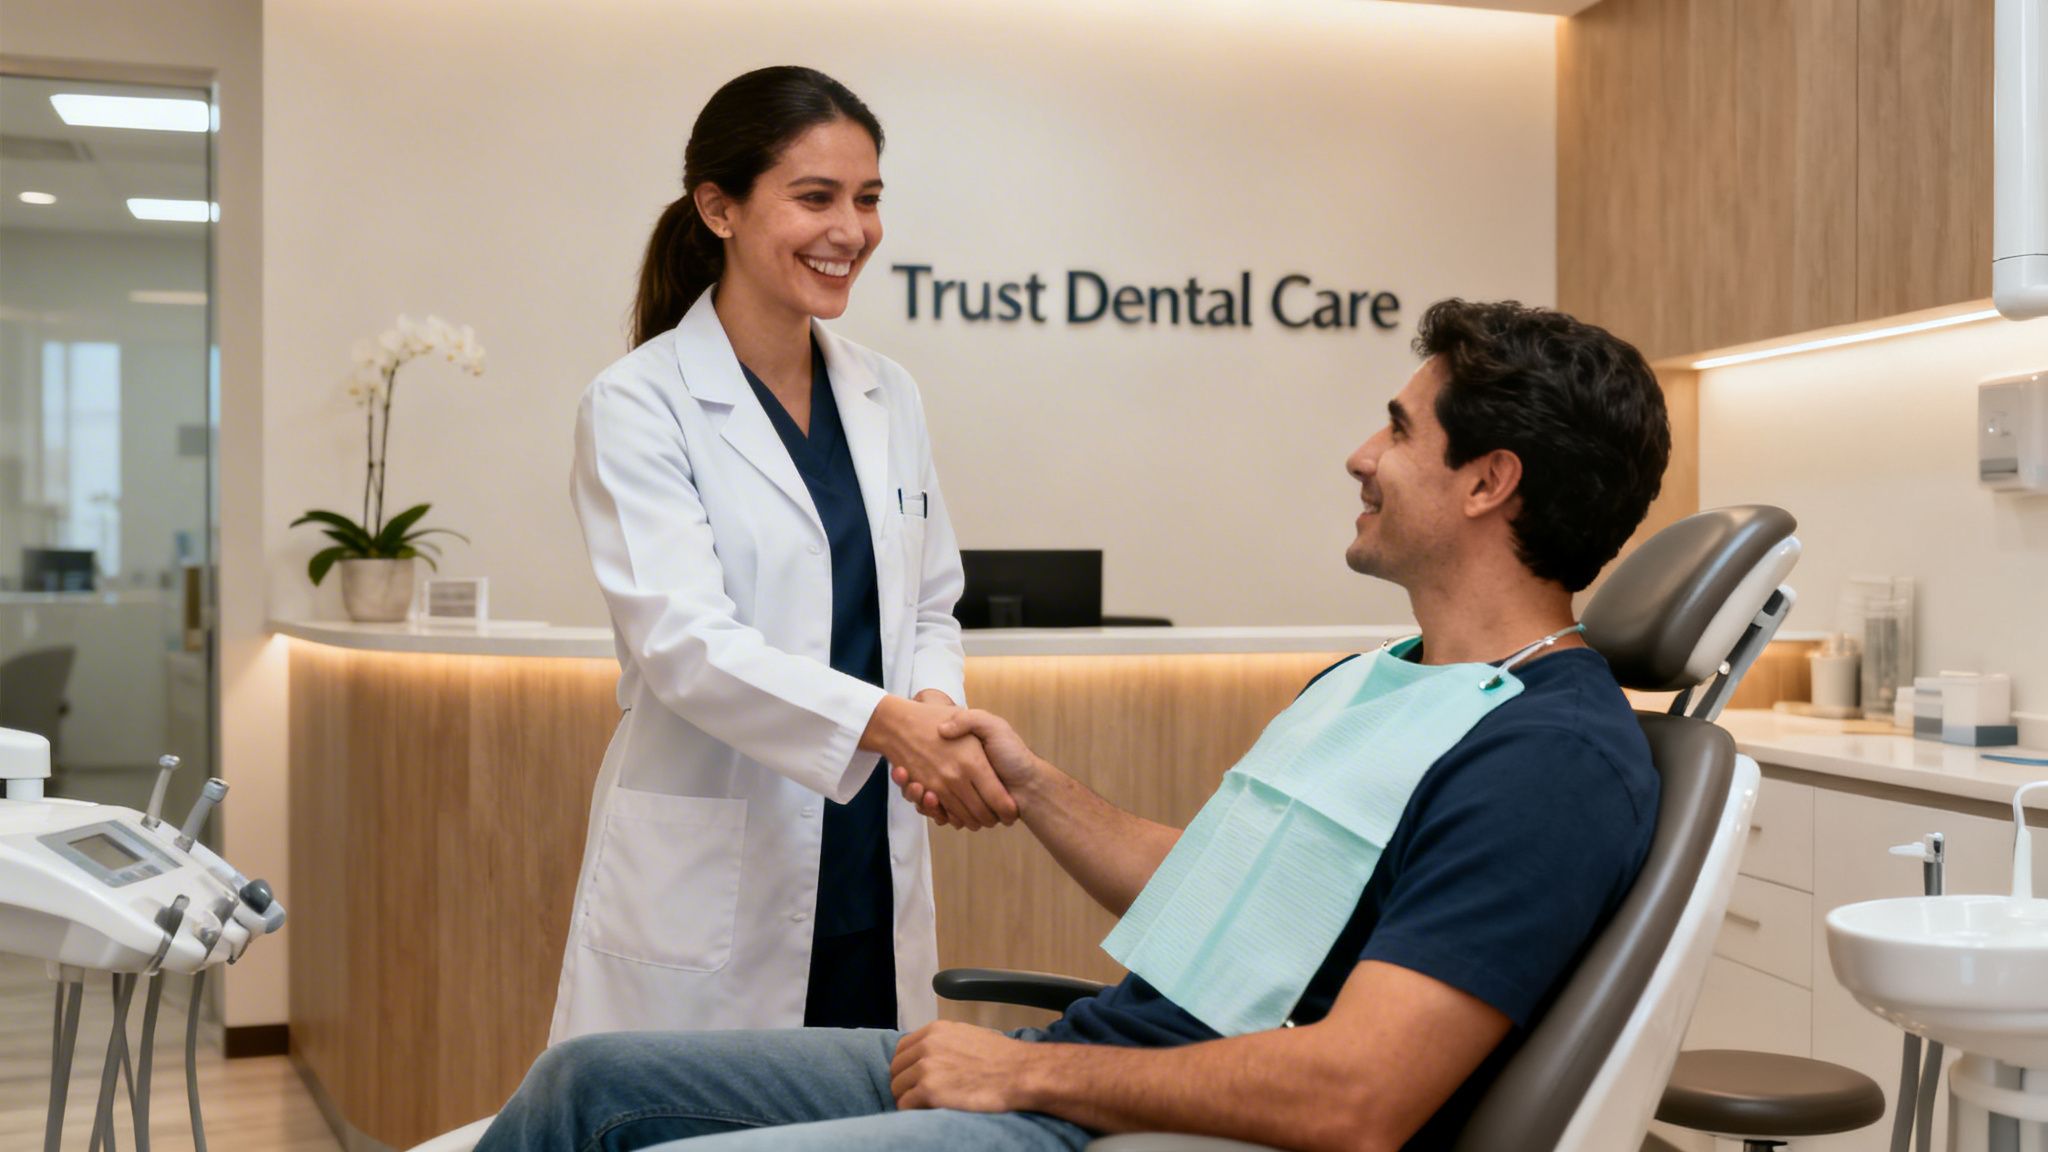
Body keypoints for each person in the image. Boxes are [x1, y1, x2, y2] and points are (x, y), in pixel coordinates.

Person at [488, 297, 1673, 1151]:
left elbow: (1356, 1096)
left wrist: (1023, 1069)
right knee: (585, 1085)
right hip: (1095, 1068)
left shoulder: (1549, 759)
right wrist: (1033, 783)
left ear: (1487, 483)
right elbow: (1220, 891)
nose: (1359, 455)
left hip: (1119, 1119)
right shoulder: (1380, 679)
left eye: (1400, 431)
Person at [551, 65, 1016, 1043]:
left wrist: (931, 708)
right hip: (715, 878)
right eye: (815, 198)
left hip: (864, 853)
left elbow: (931, 605)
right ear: (717, 208)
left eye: (867, 199)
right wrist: (891, 724)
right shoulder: (639, 403)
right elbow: (682, 643)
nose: (849, 230)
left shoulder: (888, 395)